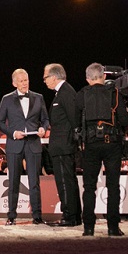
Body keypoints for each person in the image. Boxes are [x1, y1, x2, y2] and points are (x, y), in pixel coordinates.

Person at [75, 62, 128, 237]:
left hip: (91, 144)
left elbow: (75, 122)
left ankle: (88, 228)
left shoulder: (82, 94)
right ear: (104, 76)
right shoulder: (114, 93)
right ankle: (113, 228)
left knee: (89, 187)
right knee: (113, 186)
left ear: (87, 79)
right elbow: (125, 121)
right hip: (112, 143)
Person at [0, 68, 49, 225]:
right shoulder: (6, 99)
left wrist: (43, 129)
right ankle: (11, 216)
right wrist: (13, 133)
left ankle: (37, 216)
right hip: (14, 144)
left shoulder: (38, 97)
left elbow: (45, 119)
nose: (24, 83)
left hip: (33, 144)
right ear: (14, 83)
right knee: (13, 181)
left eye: (26, 80)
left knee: (34, 182)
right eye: (21, 81)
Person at [43, 63, 82, 227]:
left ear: (54, 76)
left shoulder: (66, 92)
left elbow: (74, 119)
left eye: (45, 77)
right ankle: (74, 215)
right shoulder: (62, 92)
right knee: (67, 180)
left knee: (65, 181)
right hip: (62, 145)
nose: (44, 81)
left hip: (64, 146)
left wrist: (73, 141)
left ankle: (69, 216)